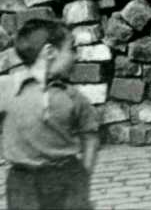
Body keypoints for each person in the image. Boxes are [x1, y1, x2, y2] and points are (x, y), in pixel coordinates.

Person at [0, 19, 100, 209]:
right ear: (50, 52)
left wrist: (82, 176)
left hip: (68, 174)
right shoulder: (6, 88)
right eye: (71, 49)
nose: (75, 56)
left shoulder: (73, 96)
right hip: (22, 181)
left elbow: (91, 137)